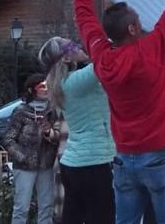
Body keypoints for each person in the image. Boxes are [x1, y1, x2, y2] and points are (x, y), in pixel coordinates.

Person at [72, 0, 165, 223]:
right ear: (134, 29)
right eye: (139, 19)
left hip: (124, 159)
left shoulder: (102, 57)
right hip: (161, 155)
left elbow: (84, 16)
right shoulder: (152, 52)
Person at [39, 36, 117, 224]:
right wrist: (105, 40)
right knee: (102, 219)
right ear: (66, 58)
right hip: (93, 161)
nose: (77, 45)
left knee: (73, 219)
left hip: (76, 163)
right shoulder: (76, 82)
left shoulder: (66, 82)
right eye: (71, 45)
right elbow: (106, 60)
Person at [5, 73, 62, 224]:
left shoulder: (53, 111)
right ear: (32, 90)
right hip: (24, 167)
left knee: (47, 207)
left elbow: (60, 136)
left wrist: (49, 133)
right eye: (42, 86)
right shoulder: (21, 111)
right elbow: (9, 139)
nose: (46, 89)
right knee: (21, 208)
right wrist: (22, 156)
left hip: (47, 165)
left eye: (48, 85)